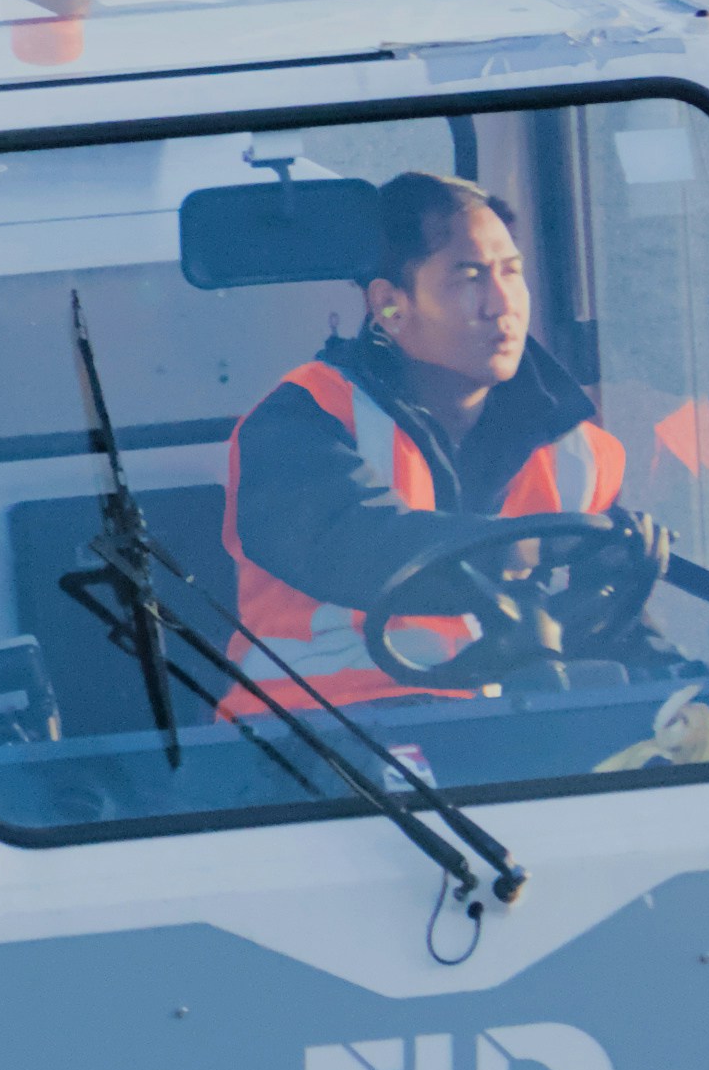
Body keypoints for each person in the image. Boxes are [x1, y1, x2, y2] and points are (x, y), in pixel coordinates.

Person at [225, 175, 662, 709]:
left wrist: (679, 672)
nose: (502, 304)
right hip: (311, 745)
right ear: (389, 305)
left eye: (512, 272)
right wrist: (527, 546)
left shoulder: (580, 453)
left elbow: (613, 633)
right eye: (471, 276)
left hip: (498, 741)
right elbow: (359, 545)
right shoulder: (302, 421)